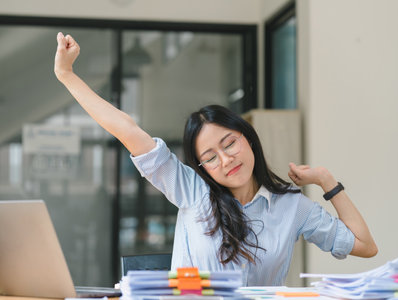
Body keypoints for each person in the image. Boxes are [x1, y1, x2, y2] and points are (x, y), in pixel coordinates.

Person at [54, 32, 377, 286]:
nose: (225, 160)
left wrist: (326, 181)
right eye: (209, 157)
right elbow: (127, 129)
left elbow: (364, 246)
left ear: (249, 139)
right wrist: (66, 74)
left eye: (229, 144)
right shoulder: (192, 191)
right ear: (201, 167)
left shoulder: (292, 206)